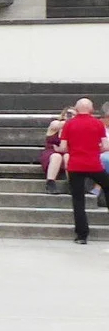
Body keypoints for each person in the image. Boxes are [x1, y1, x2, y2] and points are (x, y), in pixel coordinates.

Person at [56, 98, 109, 244]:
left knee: (78, 200)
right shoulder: (97, 123)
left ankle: (82, 235)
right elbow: (105, 146)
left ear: (77, 109)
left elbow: (64, 147)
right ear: (91, 109)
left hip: (75, 166)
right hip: (94, 165)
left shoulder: (69, 124)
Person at [41, 107, 74, 194]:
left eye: (73, 115)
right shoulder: (55, 123)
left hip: (67, 153)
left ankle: (72, 184)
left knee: (68, 156)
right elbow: (57, 126)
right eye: (68, 114)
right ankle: (50, 183)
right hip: (51, 153)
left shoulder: (75, 129)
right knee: (57, 156)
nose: (70, 116)